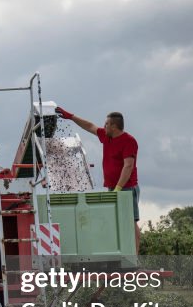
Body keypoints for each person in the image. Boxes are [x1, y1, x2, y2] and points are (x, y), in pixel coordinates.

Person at [55, 107, 140, 253]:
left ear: (114, 126)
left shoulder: (129, 141)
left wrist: (118, 189)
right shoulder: (107, 137)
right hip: (113, 188)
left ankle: (135, 256)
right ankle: (122, 253)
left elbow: (128, 166)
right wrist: (71, 116)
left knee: (131, 221)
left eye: (106, 124)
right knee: (117, 221)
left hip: (127, 188)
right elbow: (90, 126)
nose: (104, 126)